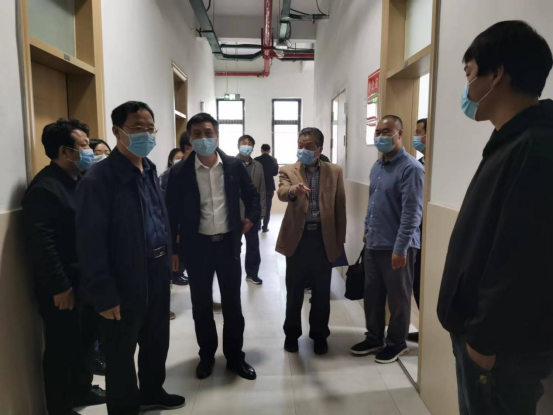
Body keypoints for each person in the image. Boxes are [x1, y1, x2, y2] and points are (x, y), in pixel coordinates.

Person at [437, 21, 553, 415]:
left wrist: (484, 341)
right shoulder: (512, 140)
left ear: (497, 74)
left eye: (469, 73)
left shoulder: (537, 146)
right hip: (485, 340)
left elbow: (524, 258)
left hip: (499, 350)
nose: (467, 87)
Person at [75, 101, 185, 414]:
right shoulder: (99, 179)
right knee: (120, 351)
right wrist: (104, 294)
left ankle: (151, 391)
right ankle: (124, 407)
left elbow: (159, 218)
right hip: (122, 278)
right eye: (138, 128)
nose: (146, 135)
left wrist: (170, 258)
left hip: (156, 271)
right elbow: (90, 243)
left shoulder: (149, 169)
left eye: (150, 128)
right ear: (117, 131)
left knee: (156, 340)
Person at [166, 113, 260, 381]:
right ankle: (206, 356)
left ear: (217, 136)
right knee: (201, 306)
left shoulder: (232, 165)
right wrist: (174, 251)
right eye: (197, 134)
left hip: (228, 246)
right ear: (190, 138)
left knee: (233, 305)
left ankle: (235, 357)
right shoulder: (179, 172)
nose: (203, 138)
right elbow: (171, 213)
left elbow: (252, 196)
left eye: (208, 133)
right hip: (198, 249)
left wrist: (251, 219)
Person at [22, 119, 105, 415]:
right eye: (83, 146)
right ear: (65, 152)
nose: (89, 150)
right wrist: (60, 286)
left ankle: (82, 389)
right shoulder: (45, 189)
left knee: (84, 341)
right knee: (61, 349)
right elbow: (42, 245)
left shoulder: (79, 180)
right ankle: (59, 408)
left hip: (85, 281)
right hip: (62, 287)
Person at [350, 115, 424, 364]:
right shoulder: (377, 167)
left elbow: (412, 213)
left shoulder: (411, 168)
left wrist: (401, 248)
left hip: (398, 247)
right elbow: (373, 203)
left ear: (399, 134)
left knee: (398, 298)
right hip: (374, 243)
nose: (381, 136)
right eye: (378, 132)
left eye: (386, 131)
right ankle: (374, 338)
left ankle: (397, 343)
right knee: (372, 296)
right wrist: (367, 230)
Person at [276, 127, 346, 356]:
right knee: (294, 290)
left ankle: (319, 335)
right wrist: (293, 191)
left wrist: (340, 241)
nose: (303, 150)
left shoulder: (334, 171)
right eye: (300, 145)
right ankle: (291, 334)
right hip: (298, 238)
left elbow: (340, 207)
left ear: (319, 149)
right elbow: (282, 192)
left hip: (323, 239)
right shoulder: (288, 170)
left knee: (321, 291)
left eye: (309, 146)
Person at [237, 135, 266, 285]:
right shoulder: (231, 163)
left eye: (249, 143)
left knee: (253, 244)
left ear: (253, 147)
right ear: (238, 146)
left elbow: (262, 189)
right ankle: (232, 274)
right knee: (233, 245)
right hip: (235, 211)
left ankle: (252, 273)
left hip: (252, 212)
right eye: (244, 143)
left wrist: (262, 211)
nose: (246, 145)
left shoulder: (258, 166)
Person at [409, 117, 427, 343]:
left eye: (419, 132)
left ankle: (429, 334)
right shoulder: (419, 163)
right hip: (416, 235)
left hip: (430, 233)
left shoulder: (439, 165)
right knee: (417, 284)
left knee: (424, 284)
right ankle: (424, 330)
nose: (416, 136)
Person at [255, 143, 278, 233]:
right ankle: (265, 227)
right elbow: (275, 173)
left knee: (258, 207)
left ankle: (258, 226)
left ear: (261, 150)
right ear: (269, 150)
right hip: (269, 187)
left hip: (258, 186)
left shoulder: (256, 160)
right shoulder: (274, 160)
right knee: (267, 208)